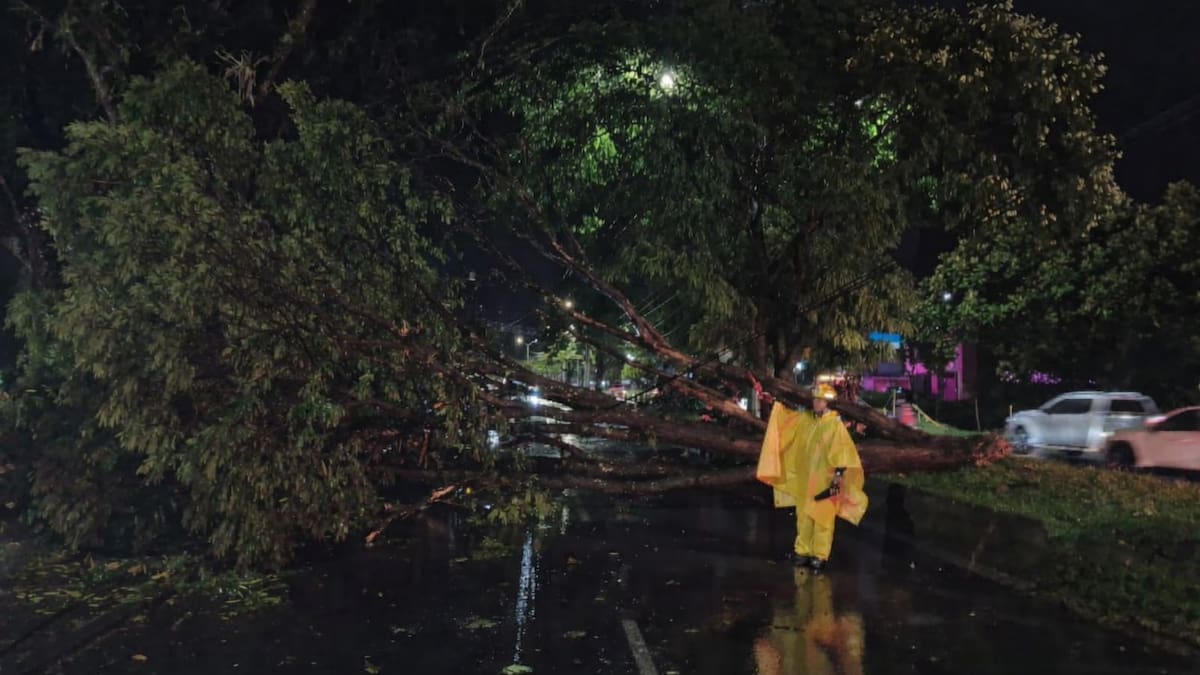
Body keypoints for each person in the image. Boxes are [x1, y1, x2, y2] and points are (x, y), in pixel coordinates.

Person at [756, 383, 868, 571]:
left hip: (824, 479)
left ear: (827, 403)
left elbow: (842, 452)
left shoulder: (834, 425)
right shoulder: (805, 420)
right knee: (804, 515)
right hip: (805, 478)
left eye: (820, 400)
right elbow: (785, 419)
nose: (816, 403)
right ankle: (803, 550)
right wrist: (771, 401)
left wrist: (838, 476)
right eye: (815, 399)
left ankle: (820, 554)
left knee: (823, 518)